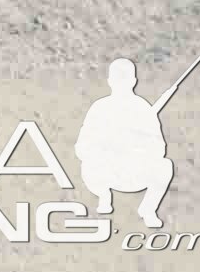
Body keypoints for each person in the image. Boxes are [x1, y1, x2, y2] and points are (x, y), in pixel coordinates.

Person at [75, 57, 177, 228]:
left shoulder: (143, 108)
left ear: (133, 81)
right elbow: (81, 147)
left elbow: (159, 148)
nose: (121, 83)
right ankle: (104, 196)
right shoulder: (99, 108)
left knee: (165, 166)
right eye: (117, 79)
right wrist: (103, 148)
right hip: (106, 172)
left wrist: (137, 146)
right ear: (110, 81)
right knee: (88, 165)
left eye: (124, 78)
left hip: (134, 172)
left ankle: (148, 209)